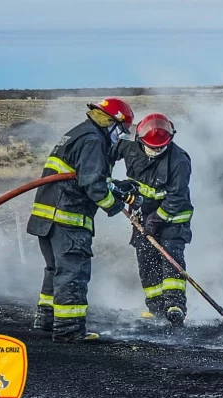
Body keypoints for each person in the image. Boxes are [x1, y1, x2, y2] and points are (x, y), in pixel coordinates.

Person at [27, 97, 136, 343]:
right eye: (121, 132)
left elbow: (82, 175)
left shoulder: (79, 132)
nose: (119, 138)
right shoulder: (93, 140)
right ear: (113, 124)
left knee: (56, 270)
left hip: (49, 217)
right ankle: (69, 329)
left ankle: (47, 319)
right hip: (68, 218)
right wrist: (115, 204)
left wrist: (115, 186)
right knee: (73, 272)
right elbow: (92, 184)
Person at [108, 112, 194, 327]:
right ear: (140, 140)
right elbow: (106, 152)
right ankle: (155, 308)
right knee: (146, 261)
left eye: (160, 147)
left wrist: (155, 221)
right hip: (142, 216)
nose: (156, 151)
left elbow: (176, 197)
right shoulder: (129, 148)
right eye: (152, 147)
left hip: (173, 219)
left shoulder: (179, 160)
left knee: (171, 260)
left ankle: (174, 308)